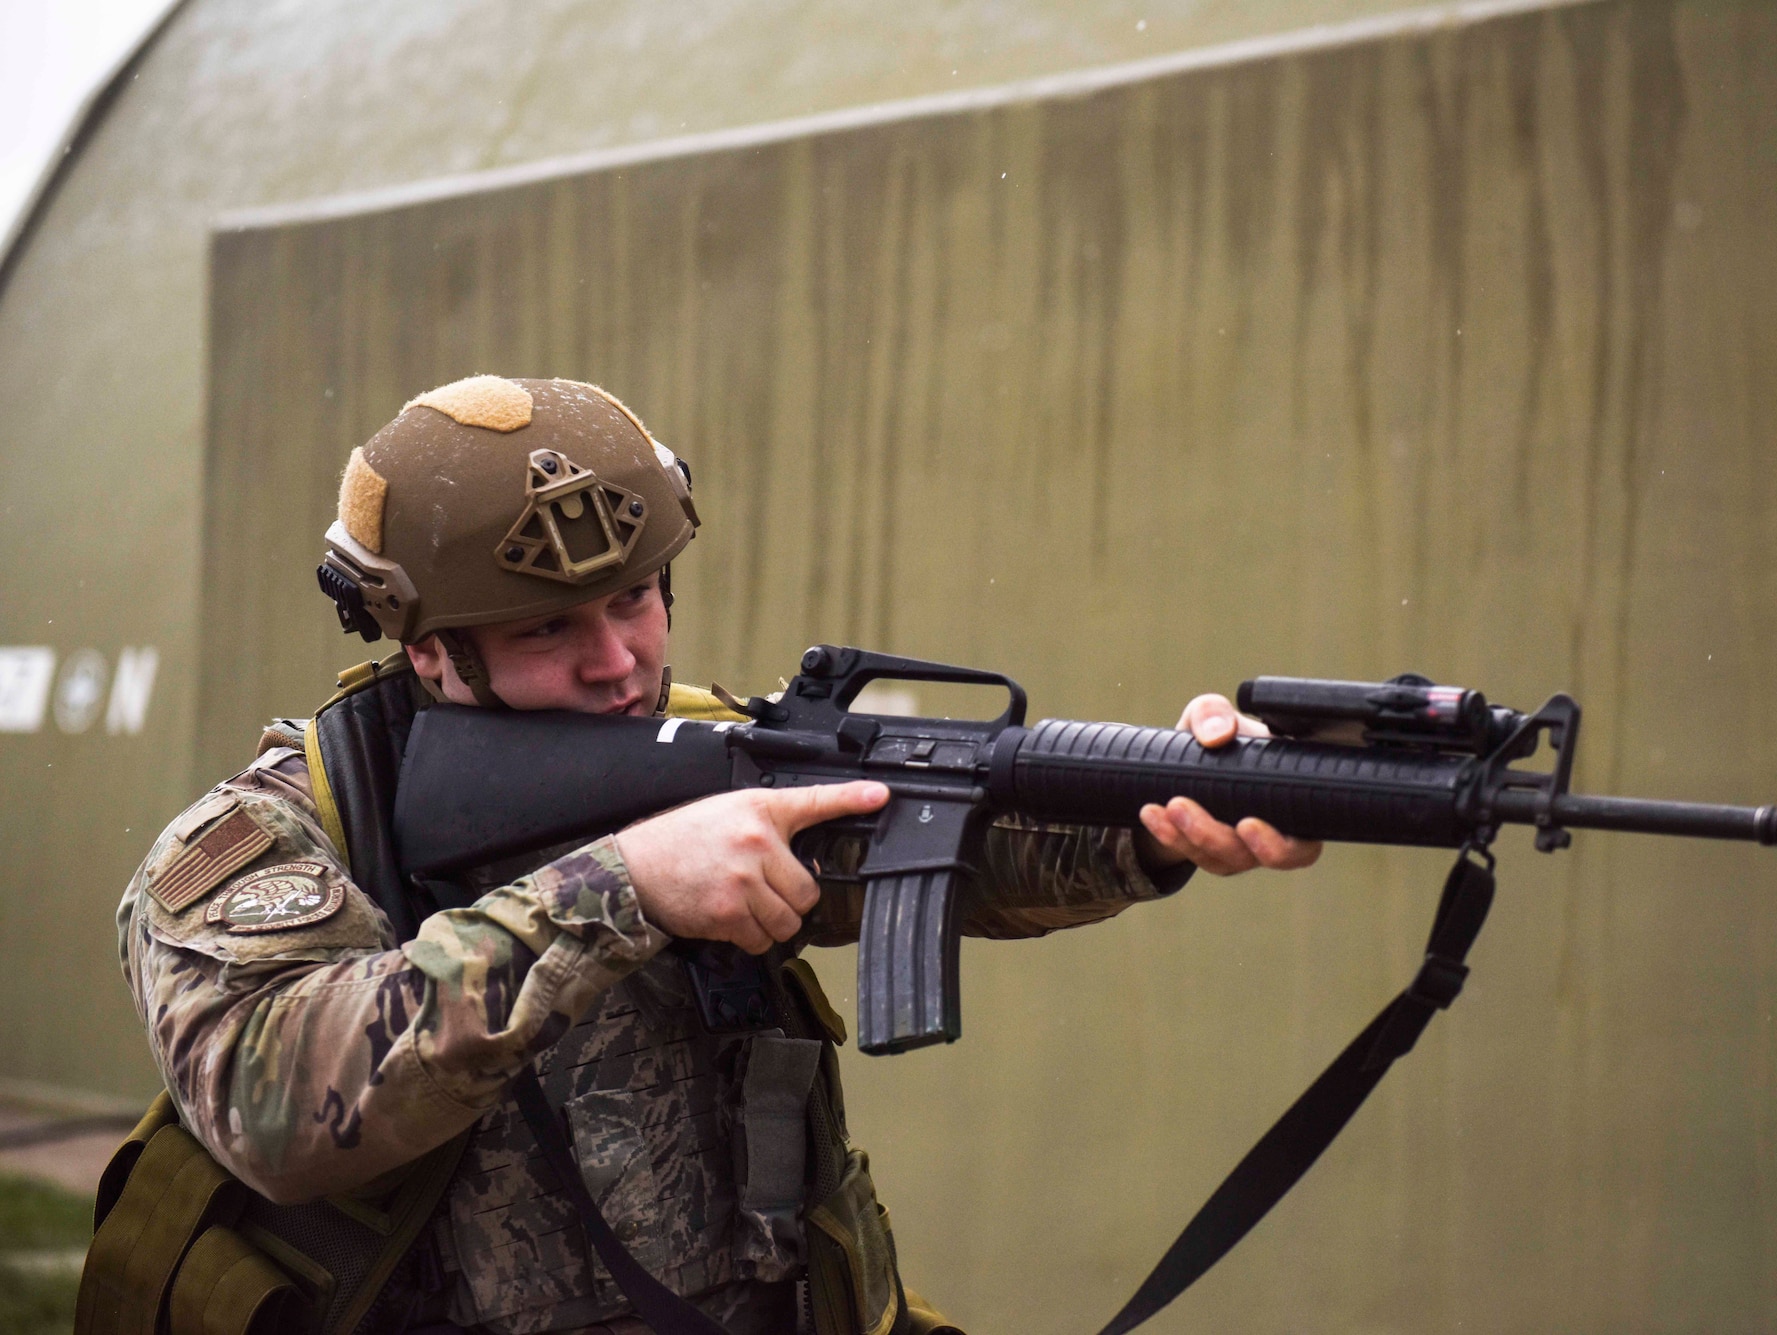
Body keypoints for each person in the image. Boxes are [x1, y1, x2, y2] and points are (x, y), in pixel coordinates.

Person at [107, 376, 1319, 1335]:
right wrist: (623, 888)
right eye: (547, 629)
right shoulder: (277, 836)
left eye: (636, 599)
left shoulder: (704, 747)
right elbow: (273, 1106)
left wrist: (1171, 809)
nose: (617, 661)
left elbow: (941, 837)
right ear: (431, 652)